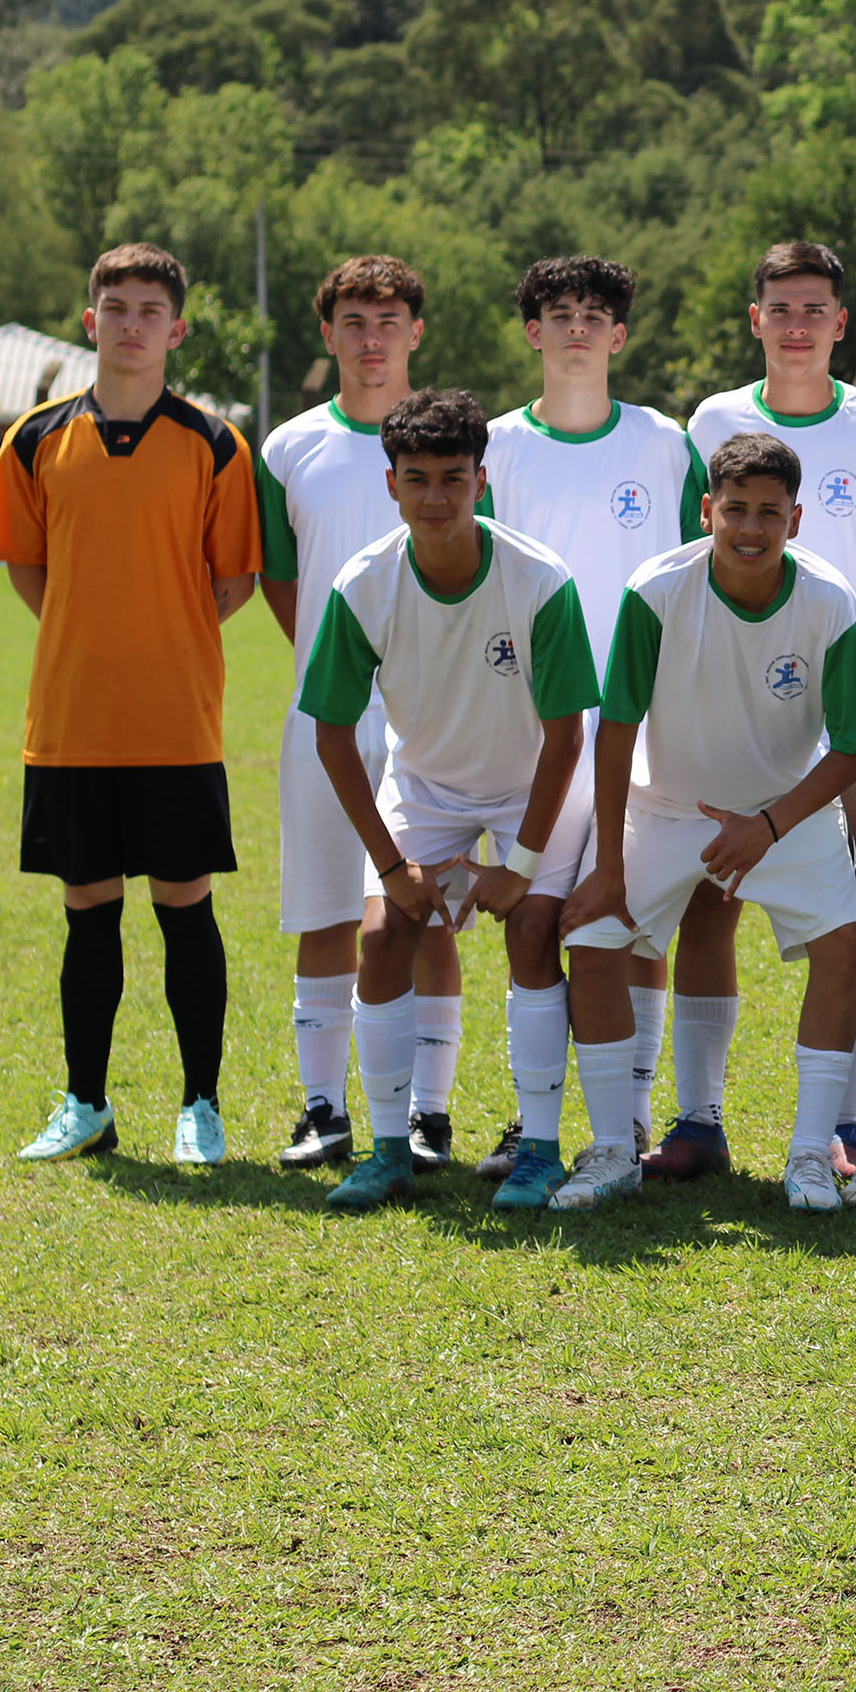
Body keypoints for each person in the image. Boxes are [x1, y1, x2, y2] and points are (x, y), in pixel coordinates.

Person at [558, 433, 856, 1211]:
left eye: (769, 513)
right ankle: (613, 1149)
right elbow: (615, 729)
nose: (750, 528)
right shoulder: (657, 588)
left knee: (847, 948)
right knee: (593, 937)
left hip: (787, 809)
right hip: (665, 806)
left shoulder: (830, 598)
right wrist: (607, 866)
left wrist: (768, 825)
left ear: (797, 518)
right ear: (706, 509)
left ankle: (810, 1154)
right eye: (734, 509)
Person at [0, 242, 261, 1165]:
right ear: (89, 318)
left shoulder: (216, 441)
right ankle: (87, 1103)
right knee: (87, 906)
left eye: (151, 309)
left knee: (186, 905)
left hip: (175, 719)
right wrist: (88, 627)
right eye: (117, 306)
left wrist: (158, 631)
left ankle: (201, 1106)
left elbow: (232, 582)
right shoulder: (34, 437)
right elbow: (31, 568)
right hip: (70, 723)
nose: (132, 323)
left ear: (176, 329)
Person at [296, 390, 601, 1213]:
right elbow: (331, 735)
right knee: (382, 932)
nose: (436, 498)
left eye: (454, 479)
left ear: (482, 481)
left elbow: (568, 738)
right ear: (391, 483)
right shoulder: (363, 584)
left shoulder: (540, 579)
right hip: (425, 785)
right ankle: (390, 1149)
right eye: (418, 479)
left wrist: (522, 866)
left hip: (532, 781)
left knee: (534, 929)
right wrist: (394, 867)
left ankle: (538, 1148)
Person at [679, 241, 856, 1180]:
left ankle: (852, 1124)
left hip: (839, 699)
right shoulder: (712, 419)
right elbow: (687, 562)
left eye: (813, 308)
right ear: (756, 321)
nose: (796, 323)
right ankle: (698, 1121)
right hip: (729, 702)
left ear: (840, 323)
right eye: (779, 308)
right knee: (709, 904)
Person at [477, 254, 706, 1179]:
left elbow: (700, 568)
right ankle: (527, 1120)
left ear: (620, 334)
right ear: (533, 331)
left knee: (632, 923)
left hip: (642, 720)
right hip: (533, 726)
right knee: (531, 921)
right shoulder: (495, 446)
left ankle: (636, 1113)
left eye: (595, 314)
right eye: (559, 313)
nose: (577, 327)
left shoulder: (664, 441)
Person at [257, 254, 465, 1171]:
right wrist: (332, 666)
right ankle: (322, 1107)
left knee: (424, 910)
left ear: (416, 332)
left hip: (438, 719)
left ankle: (429, 1113)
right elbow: (280, 578)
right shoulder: (289, 445)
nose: (371, 338)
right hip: (327, 716)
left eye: (388, 321)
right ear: (330, 332)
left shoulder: (456, 438)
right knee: (325, 910)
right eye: (353, 321)